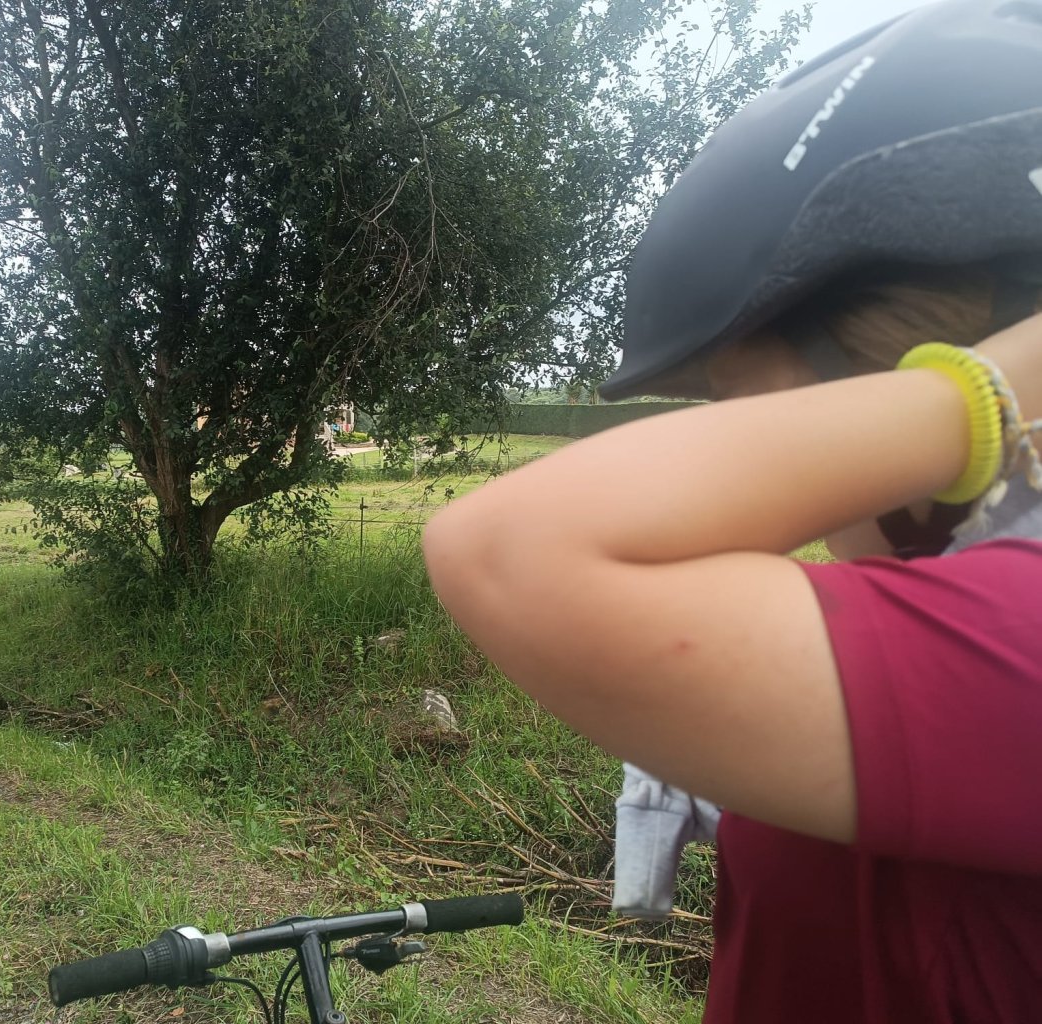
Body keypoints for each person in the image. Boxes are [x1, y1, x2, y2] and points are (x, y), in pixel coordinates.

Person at [422, 4, 1042, 1022]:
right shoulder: (954, 608)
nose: (735, 448)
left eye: (741, 410)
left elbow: (504, 548)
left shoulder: (1018, 637)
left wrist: (979, 392)